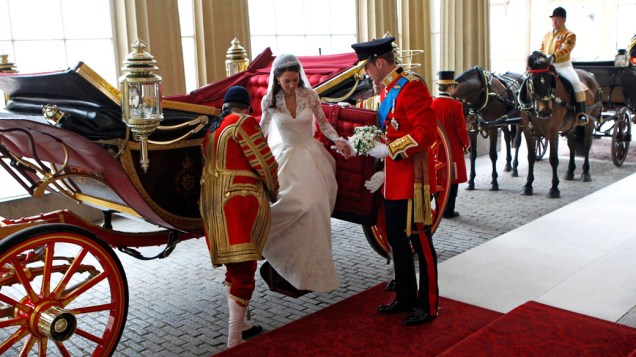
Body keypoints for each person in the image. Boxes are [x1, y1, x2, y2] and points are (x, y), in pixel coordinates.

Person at [351, 37, 439, 326]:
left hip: (414, 178)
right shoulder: (390, 88)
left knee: (420, 241)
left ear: (379, 62)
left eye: (367, 67)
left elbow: (426, 133)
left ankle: (428, 304)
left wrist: (390, 150)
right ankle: (406, 296)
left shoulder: (411, 86)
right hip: (394, 179)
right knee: (397, 240)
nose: (366, 73)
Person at [259, 53, 352, 293]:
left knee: (314, 205)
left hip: (311, 157)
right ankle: (283, 256)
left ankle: (313, 265)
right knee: (283, 205)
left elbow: (324, 123)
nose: (291, 85)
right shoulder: (269, 101)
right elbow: (261, 131)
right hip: (285, 157)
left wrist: (338, 140)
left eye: (294, 79)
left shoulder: (309, 96)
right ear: (277, 80)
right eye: (286, 81)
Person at [199, 86, 279, 348]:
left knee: (234, 268)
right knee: (244, 270)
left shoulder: (212, 129)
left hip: (211, 207)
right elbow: (265, 162)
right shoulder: (243, 122)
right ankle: (234, 340)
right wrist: (273, 190)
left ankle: (241, 324)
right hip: (237, 204)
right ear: (246, 108)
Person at [539, 6, 588, 125]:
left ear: (564, 20)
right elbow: (542, 49)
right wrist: (539, 57)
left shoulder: (569, 35)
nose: (554, 21)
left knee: (576, 83)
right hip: (547, 67)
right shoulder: (547, 35)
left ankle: (581, 113)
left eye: (557, 19)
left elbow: (566, 48)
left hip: (563, 66)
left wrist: (554, 56)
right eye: (553, 19)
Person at [432, 71, 470, 219]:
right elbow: (461, 129)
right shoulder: (456, 105)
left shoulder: (432, 103)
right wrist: (466, 144)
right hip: (452, 150)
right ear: (450, 88)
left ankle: (438, 206)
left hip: (436, 149)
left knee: (438, 179)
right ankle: (448, 210)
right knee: (452, 181)